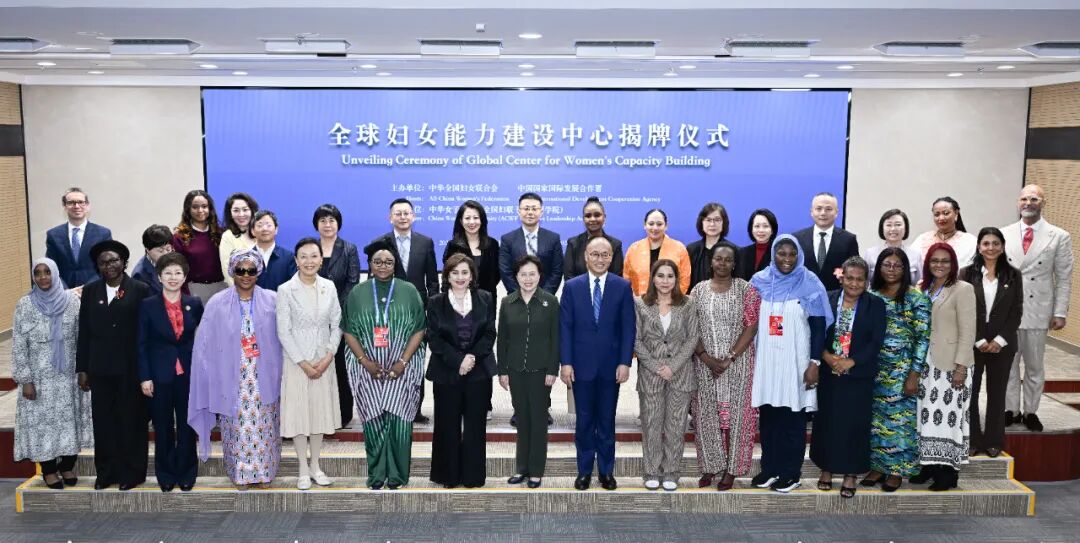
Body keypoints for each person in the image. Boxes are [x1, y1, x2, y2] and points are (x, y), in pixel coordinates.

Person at [189, 248, 284, 487]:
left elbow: (284, 337)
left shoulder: (273, 300)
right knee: (236, 427)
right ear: (232, 271)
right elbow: (204, 343)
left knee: (265, 425)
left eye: (251, 270)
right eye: (240, 270)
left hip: (265, 375)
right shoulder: (217, 303)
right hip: (230, 377)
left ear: (258, 272)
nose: (246, 275)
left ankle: (265, 472)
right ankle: (240, 473)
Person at [748, 235, 832, 493]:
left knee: (793, 420)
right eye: (781, 253)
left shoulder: (810, 282)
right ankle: (770, 469)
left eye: (792, 254)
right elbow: (749, 321)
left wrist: (814, 363)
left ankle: (790, 473)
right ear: (773, 254)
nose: (786, 259)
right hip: (766, 361)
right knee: (769, 418)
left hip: (796, 362)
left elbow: (818, 328)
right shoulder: (759, 281)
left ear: (799, 256)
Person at [342, 239, 427, 490]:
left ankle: (398, 476)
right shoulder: (357, 293)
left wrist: (402, 362)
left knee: (399, 424)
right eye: (377, 261)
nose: (383, 266)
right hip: (367, 370)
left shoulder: (409, 290)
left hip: (402, 369)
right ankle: (377, 475)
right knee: (374, 423)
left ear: (395, 265)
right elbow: (348, 331)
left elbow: (419, 329)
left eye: (388, 262)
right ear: (370, 264)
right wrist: (365, 361)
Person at [560, 236, 635, 491]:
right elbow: (565, 327)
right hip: (580, 367)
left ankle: (606, 471)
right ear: (586, 256)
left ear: (611, 258)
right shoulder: (572, 287)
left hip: (611, 367)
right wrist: (566, 362)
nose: (600, 259)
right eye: (595, 254)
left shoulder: (622, 286)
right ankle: (583, 471)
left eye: (605, 255)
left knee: (606, 420)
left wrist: (625, 362)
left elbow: (628, 328)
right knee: (583, 421)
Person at [76, 240, 152, 490]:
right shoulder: (91, 291)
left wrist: (147, 370)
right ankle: (106, 473)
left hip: (131, 368)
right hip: (100, 369)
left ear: (123, 262)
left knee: (131, 421)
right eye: (103, 262)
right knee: (104, 422)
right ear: (97, 266)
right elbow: (84, 331)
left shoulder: (140, 289)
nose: (109, 265)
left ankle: (132, 473)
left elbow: (147, 332)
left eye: (114, 260)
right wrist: (82, 368)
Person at [12, 258, 92, 490]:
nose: (43, 277)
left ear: (55, 274)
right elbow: (19, 345)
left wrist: (84, 370)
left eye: (47, 272)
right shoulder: (25, 305)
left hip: (68, 376)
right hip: (39, 378)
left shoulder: (72, 302)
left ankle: (67, 466)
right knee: (43, 425)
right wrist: (26, 380)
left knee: (69, 423)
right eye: (38, 273)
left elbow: (82, 338)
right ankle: (48, 470)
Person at [810, 256, 886, 499]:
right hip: (829, 372)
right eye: (849, 278)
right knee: (828, 422)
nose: (854, 283)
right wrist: (825, 356)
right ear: (841, 278)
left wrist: (851, 361)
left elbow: (876, 341)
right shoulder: (827, 298)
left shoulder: (876, 304)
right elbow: (815, 331)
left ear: (867, 281)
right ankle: (827, 469)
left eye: (859, 279)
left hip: (858, 374)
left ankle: (851, 473)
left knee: (855, 425)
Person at [690, 242, 760, 491]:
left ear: (734, 264)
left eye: (727, 260)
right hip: (705, 364)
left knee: (736, 418)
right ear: (711, 262)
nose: (722, 263)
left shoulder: (746, 289)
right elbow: (690, 327)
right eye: (718, 259)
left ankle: (731, 469)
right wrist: (706, 357)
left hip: (738, 364)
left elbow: (751, 326)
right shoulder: (698, 290)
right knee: (706, 416)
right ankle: (710, 466)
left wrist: (729, 358)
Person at [1002, 184, 1073, 432]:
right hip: (1009, 310)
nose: (1028, 203)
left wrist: (1060, 312)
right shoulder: (1005, 233)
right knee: (1008, 364)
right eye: (1024, 199)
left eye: (1034, 199)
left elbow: (1063, 277)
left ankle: (1031, 411)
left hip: (1038, 309)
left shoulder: (1059, 236)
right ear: (1018, 202)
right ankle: (1010, 409)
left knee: (1034, 366)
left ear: (1043, 203)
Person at [861, 247, 931, 492]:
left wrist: (914, 373)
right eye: (886, 265)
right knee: (876, 421)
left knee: (900, 422)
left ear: (905, 269)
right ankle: (878, 467)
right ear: (878, 268)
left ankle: (896, 471)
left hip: (902, 370)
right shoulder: (870, 295)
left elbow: (923, 338)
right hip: (873, 369)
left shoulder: (916, 298)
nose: (891, 270)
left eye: (897, 265)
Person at [426, 253, 497, 488]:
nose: (460, 277)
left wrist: (471, 358)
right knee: (447, 424)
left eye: (465, 272)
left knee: (475, 426)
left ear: (472, 276)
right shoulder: (435, 302)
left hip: (478, 372)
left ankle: (473, 477)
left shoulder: (485, 298)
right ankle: (448, 476)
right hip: (446, 371)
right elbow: (434, 338)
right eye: (454, 272)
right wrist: (459, 361)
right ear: (447, 276)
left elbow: (489, 333)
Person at [277, 238, 342, 490]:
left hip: (324, 360)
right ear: (296, 260)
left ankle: (315, 465)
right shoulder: (285, 290)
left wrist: (328, 356)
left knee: (319, 414)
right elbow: (283, 331)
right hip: (297, 362)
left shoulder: (329, 286)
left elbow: (337, 323)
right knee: (299, 415)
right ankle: (302, 469)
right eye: (303, 256)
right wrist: (303, 363)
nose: (309, 261)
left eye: (314, 256)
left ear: (321, 260)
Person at [137, 252, 204, 492]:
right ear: (159, 277)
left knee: (187, 425)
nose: (173, 278)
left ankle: (186, 473)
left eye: (178, 273)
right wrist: (144, 376)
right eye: (168, 273)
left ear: (185, 277)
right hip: (158, 375)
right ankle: (165, 474)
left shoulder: (194, 303)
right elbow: (141, 343)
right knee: (162, 426)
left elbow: (202, 339)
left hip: (188, 374)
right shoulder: (147, 305)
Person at [912, 242, 976, 491]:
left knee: (948, 420)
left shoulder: (963, 289)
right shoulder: (923, 288)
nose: (940, 265)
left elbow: (968, 331)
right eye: (935, 260)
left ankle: (947, 473)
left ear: (953, 264)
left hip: (951, 365)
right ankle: (928, 465)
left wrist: (961, 367)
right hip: (926, 364)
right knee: (925, 416)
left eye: (945, 261)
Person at [371, 198, 439, 424]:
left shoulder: (425, 242)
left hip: (418, 313)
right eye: (398, 213)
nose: (402, 217)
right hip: (389, 312)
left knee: (416, 361)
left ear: (413, 216)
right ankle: (388, 405)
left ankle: (415, 408)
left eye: (406, 213)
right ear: (390, 217)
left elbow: (433, 281)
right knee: (389, 357)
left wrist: (430, 310)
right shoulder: (380, 243)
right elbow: (374, 279)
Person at [634, 259, 699, 491]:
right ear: (653, 278)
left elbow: (693, 338)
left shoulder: (688, 304)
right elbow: (636, 339)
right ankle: (651, 471)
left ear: (676, 279)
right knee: (651, 426)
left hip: (680, 375)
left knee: (675, 427)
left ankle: (671, 472)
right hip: (650, 375)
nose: (665, 281)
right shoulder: (640, 303)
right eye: (660, 276)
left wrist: (673, 366)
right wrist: (655, 366)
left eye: (670, 276)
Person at [498, 255, 560, 489]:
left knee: (538, 421)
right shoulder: (507, 302)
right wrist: (502, 370)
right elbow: (502, 338)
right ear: (516, 277)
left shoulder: (550, 302)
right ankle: (521, 468)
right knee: (522, 420)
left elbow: (556, 339)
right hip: (515, 370)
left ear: (539, 276)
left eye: (532, 274)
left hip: (540, 371)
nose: (527, 279)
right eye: (523, 274)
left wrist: (553, 369)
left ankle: (536, 471)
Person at [962, 228, 1023, 457]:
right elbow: (963, 310)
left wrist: (1000, 339)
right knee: (971, 393)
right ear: (979, 247)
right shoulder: (966, 274)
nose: (991, 247)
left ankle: (994, 440)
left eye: (995, 243)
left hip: (1002, 345)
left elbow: (1016, 311)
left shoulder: (1013, 275)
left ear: (1002, 246)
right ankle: (972, 439)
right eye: (986, 243)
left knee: (997, 394)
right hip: (973, 342)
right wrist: (978, 339)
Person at [313, 203, 361, 429]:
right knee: (316, 364)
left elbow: (352, 282)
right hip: (312, 317)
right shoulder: (311, 247)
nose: (327, 224)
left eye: (331, 220)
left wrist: (334, 309)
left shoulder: (349, 248)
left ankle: (343, 414)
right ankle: (318, 414)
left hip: (339, 317)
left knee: (339, 365)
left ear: (338, 224)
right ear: (317, 225)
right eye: (323, 220)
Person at [45, 187, 112, 288]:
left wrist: (85, 289)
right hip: (64, 293)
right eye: (71, 202)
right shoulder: (53, 235)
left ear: (87, 206)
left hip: (95, 291)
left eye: (81, 202)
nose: (76, 206)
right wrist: (67, 292)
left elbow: (107, 266)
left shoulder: (103, 234)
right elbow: (51, 268)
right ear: (64, 206)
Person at [793, 192, 860, 292]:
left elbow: (855, 271)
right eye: (818, 208)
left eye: (828, 209)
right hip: (803, 295)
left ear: (836, 212)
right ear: (811, 212)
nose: (823, 213)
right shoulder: (797, 238)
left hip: (836, 296)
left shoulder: (848, 239)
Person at [500, 192, 563, 295]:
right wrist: (520, 296)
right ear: (519, 211)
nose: (530, 212)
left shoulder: (553, 238)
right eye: (526, 209)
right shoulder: (507, 239)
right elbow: (505, 271)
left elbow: (557, 270)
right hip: (516, 298)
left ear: (541, 212)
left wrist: (544, 295)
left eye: (534, 209)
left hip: (545, 298)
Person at [171, 189, 226, 304]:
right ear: (188, 209)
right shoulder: (179, 237)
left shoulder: (221, 234)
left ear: (210, 209)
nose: (200, 210)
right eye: (195, 207)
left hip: (222, 289)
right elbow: (177, 268)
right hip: (194, 290)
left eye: (204, 206)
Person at [623, 209, 691, 296]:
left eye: (659, 224)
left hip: (672, 301)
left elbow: (684, 279)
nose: (655, 228)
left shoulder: (679, 248)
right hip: (639, 301)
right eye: (651, 224)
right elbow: (627, 278)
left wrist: (673, 300)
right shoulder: (633, 249)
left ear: (666, 226)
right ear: (645, 225)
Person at [443, 200, 501, 302]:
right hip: (459, 300)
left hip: (487, 300)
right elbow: (447, 276)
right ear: (461, 221)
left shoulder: (492, 244)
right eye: (467, 218)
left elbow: (497, 274)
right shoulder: (453, 246)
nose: (472, 222)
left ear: (482, 220)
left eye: (476, 218)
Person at [563, 197, 624, 280]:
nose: (592, 219)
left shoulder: (615, 245)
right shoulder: (573, 244)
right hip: (578, 288)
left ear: (604, 217)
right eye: (588, 216)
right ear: (583, 219)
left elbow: (616, 278)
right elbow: (569, 277)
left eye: (597, 215)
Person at [911, 196, 978, 269]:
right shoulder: (922, 239)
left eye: (946, 213)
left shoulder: (969, 241)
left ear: (956, 214)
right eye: (937, 214)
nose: (941, 218)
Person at [863, 209, 922, 284]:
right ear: (882, 228)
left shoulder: (915, 254)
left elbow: (919, 283)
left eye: (898, 224)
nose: (893, 229)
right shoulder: (870, 253)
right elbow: (864, 282)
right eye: (889, 225)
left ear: (906, 228)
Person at [218, 192, 258, 286]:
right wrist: (241, 291)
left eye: (245, 210)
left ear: (252, 210)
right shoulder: (228, 236)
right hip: (239, 290)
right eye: (236, 210)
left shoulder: (261, 233)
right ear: (230, 213)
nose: (241, 214)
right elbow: (227, 269)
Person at [251, 210, 297, 292]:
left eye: (268, 225)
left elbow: (294, 287)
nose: (264, 228)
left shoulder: (288, 257)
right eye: (259, 225)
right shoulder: (247, 257)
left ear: (276, 229)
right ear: (253, 231)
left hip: (281, 300)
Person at [686, 202, 729, 289]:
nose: (712, 224)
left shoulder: (733, 251)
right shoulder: (691, 250)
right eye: (708, 220)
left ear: (724, 223)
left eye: (717, 220)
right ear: (701, 223)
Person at [735, 208, 778, 281]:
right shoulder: (742, 253)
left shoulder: (778, 253)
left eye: (765, 226)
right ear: (751, 229)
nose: (761, 230)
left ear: (772, 230)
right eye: (757, 226)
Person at [131, 224, 175, 295]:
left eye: (168, 249)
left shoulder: (174, 258)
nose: (165, 254)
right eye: (160, 251)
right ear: (147, 250)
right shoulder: (139, 276)